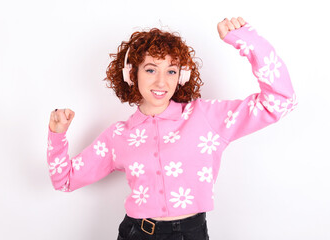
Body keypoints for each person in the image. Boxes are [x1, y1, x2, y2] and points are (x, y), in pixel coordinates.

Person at [47, 17, 297, 240]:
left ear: (182, 76)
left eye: (171, 71)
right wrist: (57, 135)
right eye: (151, 69)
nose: (161, 81)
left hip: (192, 233)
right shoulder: (118, 136)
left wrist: (246, 40)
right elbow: (65, 180)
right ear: (131, 74)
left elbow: (280, 101)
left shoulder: (206, 117)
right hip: (136, 233)